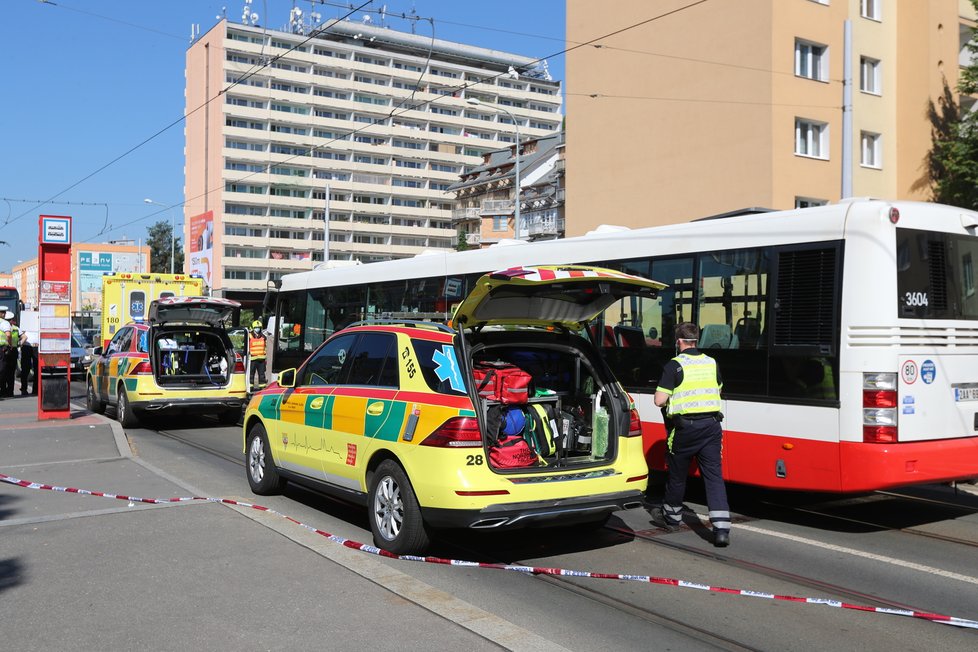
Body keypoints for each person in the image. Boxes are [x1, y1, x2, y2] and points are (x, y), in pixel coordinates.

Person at [651, 321, 731, 547]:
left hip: (685, 429)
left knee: (677, 474)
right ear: (696, 339)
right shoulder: (711, 362)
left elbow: (659, 400)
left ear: (678, 341)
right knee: (714, 477)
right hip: (712, 427)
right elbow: (718, 389)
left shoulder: (674, 365)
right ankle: (722, 529)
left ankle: (672, 516)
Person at [1, 312, 19, 397]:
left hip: (6, 349)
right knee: (11, 372)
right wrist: (18, 344)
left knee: (3, 371)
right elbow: (24, 337)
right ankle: (10, 392)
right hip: (12, 350)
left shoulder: (3, 325)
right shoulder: (16, 328)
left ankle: (3, 390)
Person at [248, 319, 267, 391]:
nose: (257, 329)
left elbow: (266, 347)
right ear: (253, 328)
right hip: (252, 359)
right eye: (256, 327)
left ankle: (262, 387)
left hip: (261, 359)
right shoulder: (249, 336)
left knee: (262, 374)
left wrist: (266, 358)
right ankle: (250, 387)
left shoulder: (263, 337)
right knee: (251, 374)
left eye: (259, 327)